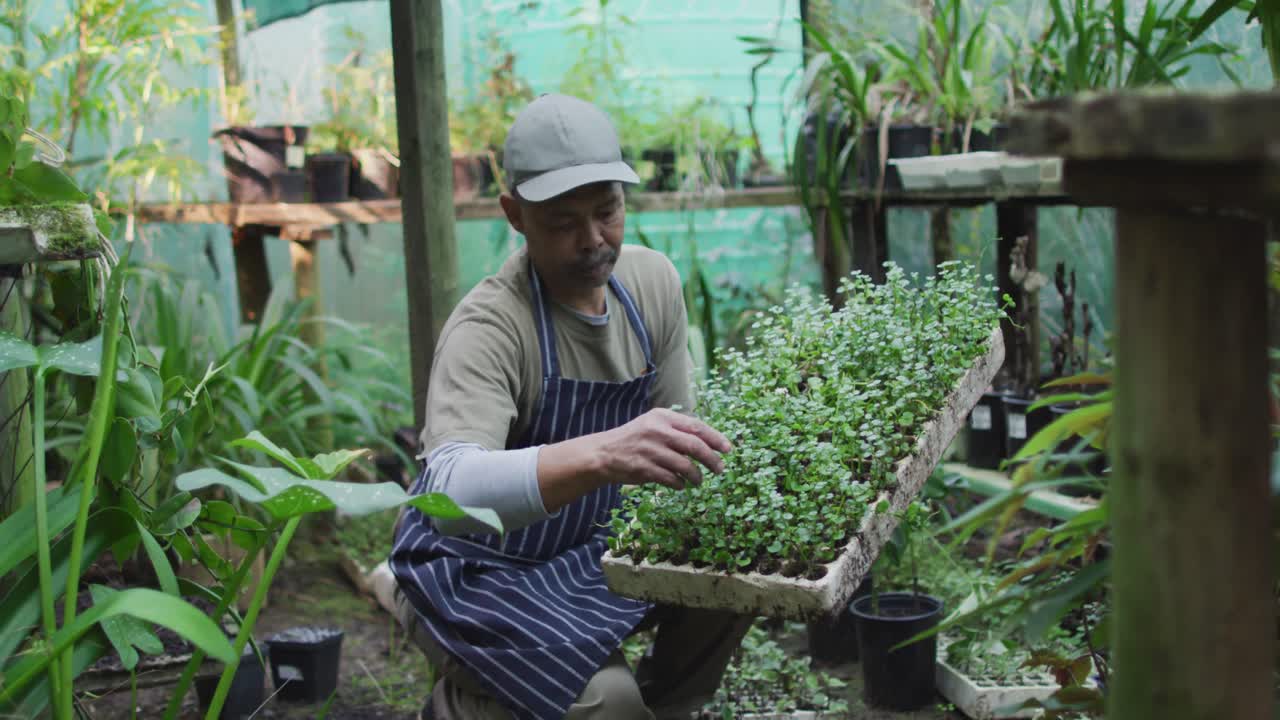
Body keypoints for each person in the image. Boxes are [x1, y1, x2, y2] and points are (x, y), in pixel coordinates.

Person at [389, 93, 754, 720]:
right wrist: (605, 453)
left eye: (607, 212)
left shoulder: (652, 285)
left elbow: (682, 447)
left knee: (737, 576)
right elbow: (448, 496)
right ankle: (460, 709)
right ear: (514, 214)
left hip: (583, 557)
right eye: (561, 223)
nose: (592, 241)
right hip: (475, 575)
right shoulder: (491, 327)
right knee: (606, 702)